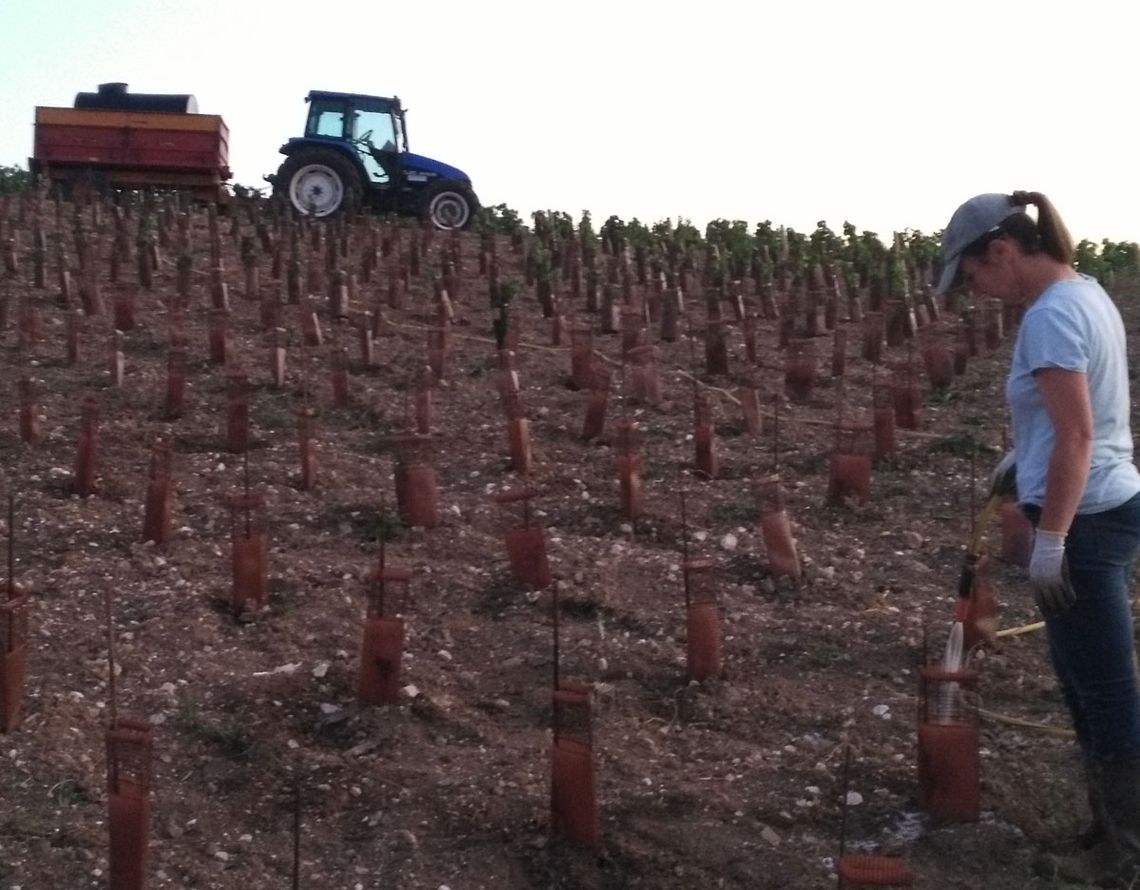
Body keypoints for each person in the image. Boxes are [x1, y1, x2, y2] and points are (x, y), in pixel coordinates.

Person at [938, 191, 1140, 887]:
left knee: (1106, 686)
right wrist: (1023, 456)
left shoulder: (1049, 318)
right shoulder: (1085, 296)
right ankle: (1105, 831)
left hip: (1084, 519)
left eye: (973, 277)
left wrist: (1051, 536)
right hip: (1102, 504)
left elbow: (1080, 435)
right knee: (1086, 681)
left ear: (1002, 252)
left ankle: (1122, 854)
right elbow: (1079, 425)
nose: (980, 293)